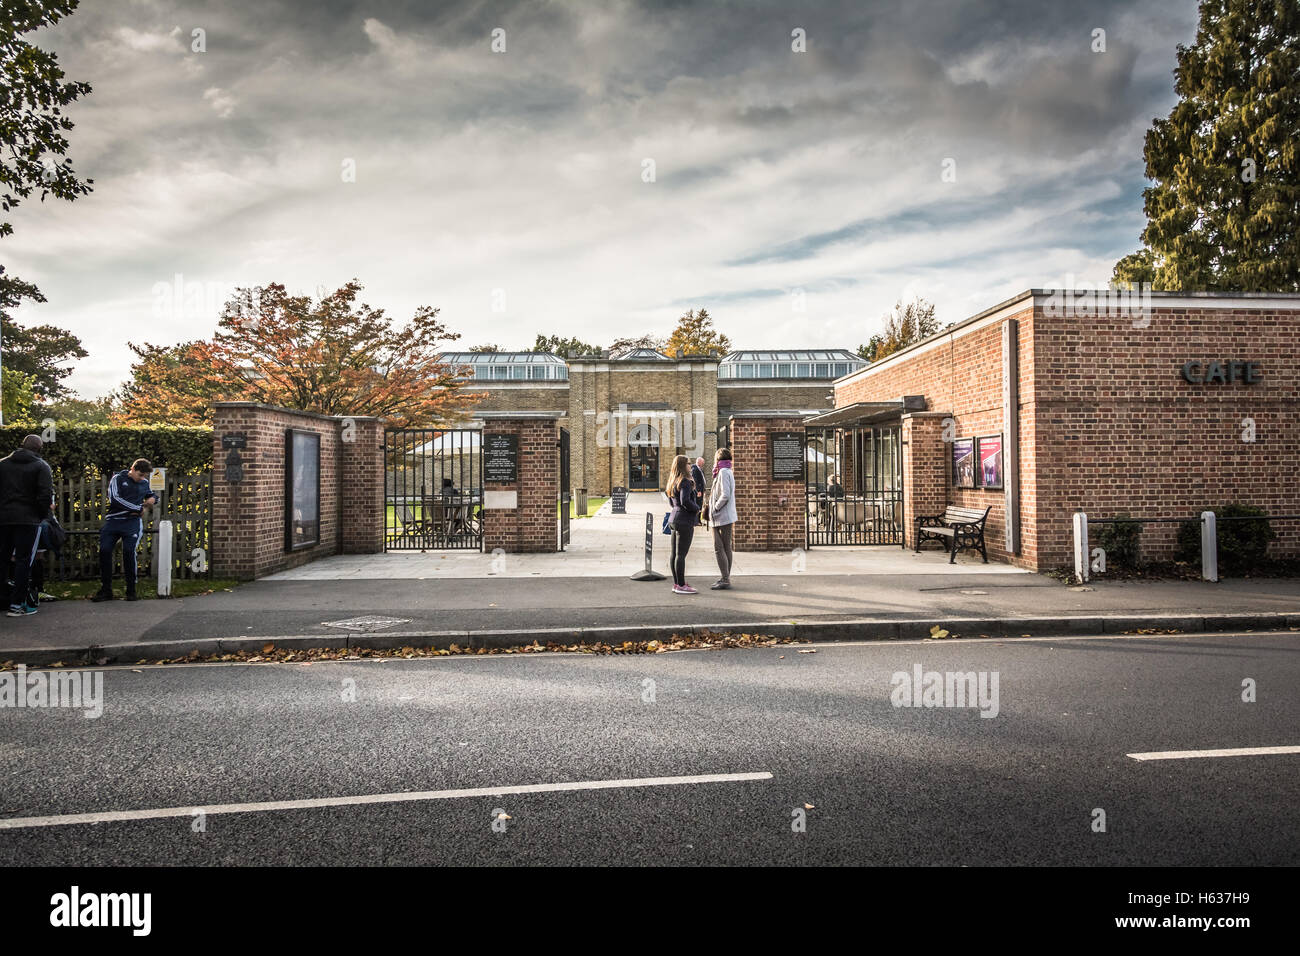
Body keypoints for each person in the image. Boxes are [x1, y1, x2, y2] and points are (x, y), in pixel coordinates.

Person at [0, 435, 54, 617]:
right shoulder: (41, 466)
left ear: (22, 445)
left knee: (3, 558)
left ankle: (2, 598)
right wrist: (40, 515)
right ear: (39, 449)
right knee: (24, 560)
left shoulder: (3, 464)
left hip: (4, 518)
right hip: (28, 519)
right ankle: (17, 604)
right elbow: (45, 495)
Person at [93, 458, 157, 602]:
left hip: (132, 523)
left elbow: (150, 495)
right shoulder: (117, 479)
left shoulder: (144, 483)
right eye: (140, 475)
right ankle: (106, 590)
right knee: (104, 550)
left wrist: (153, 498)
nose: (142, 478)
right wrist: (138, 508)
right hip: (113, 521)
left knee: (129, 551)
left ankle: (131, 590)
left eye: (145, 476)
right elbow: (115, 499)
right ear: (132, 469)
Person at [665, 454, 700, 594]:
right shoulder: (685, 481)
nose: (690, 466)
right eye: (688, 463)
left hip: (674, 519)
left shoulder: (673, 481)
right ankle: (681, 585)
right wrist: (697, 509)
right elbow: (685, 500)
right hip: (684, 521)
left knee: (674, 554)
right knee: (681, 555)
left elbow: (671, 502)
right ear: (682, 466)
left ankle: (677, 583)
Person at [708, 448, 738, 589]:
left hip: (721, 515)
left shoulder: (723, 472)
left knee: (719, 548)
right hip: (724, 515)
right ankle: (725, 577)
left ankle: (725, 579)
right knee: (726, 547)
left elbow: (725, 495)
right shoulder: (726, 471)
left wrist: (715, 508)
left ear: (718, 459)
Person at [691, 457, 708, 526]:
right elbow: (695, 481)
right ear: (699, 462)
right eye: (702, 462)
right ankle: (697, 521)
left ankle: (699, 520)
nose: (703, 463)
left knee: (700, 505)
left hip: (701, 490)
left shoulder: (700, 469)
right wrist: (698, 491)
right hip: (698, 492)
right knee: (698, 505)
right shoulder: (695, 469)